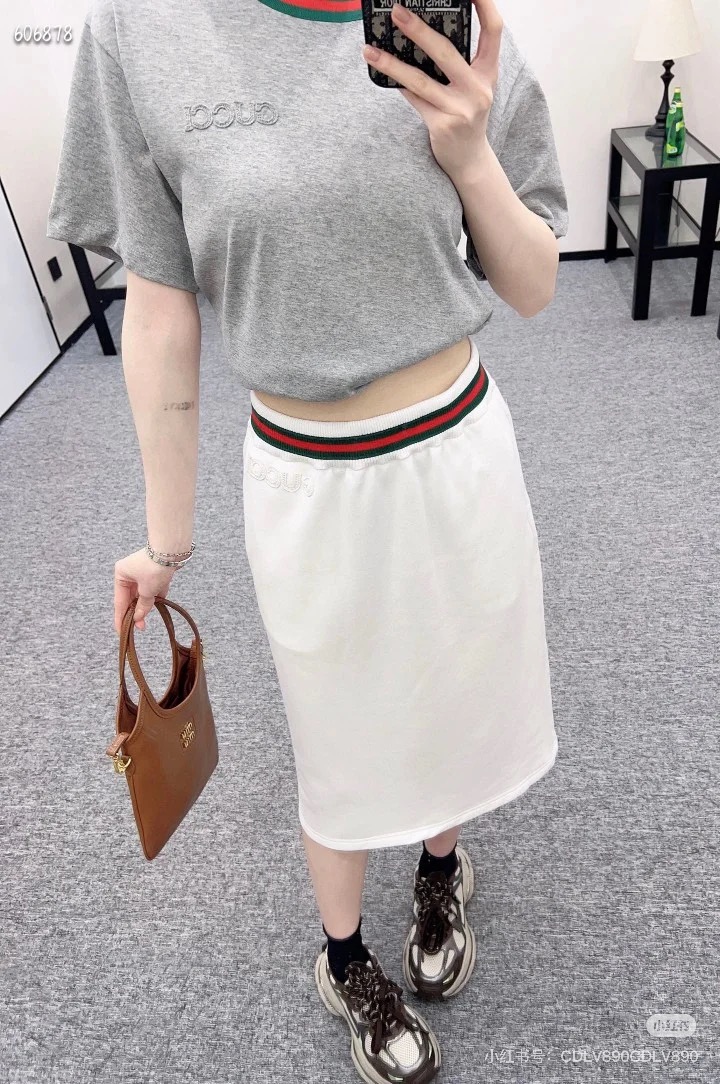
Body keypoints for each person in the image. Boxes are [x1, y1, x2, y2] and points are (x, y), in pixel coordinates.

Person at [47, 0, 569, 1079]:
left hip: (457, 448)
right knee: (338, 734)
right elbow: (160, 300)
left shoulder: (448, 15)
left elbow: (534, 284)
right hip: (306, 473)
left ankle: (441, 868)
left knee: (457, 691)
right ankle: (344, 956)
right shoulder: (141, 30)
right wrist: (164, 540)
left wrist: (469, 151)